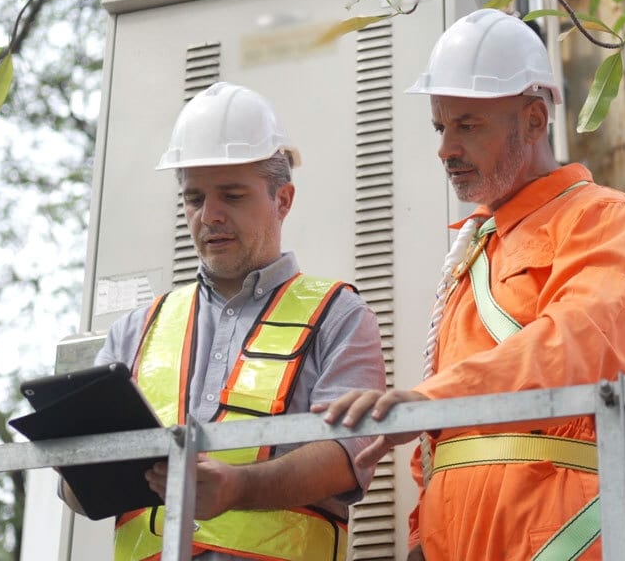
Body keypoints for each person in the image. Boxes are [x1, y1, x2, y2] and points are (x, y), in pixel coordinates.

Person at [316, 9, 625, 561]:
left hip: (564, 536)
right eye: (441, 127)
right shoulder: (472, 250)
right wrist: (419, 539)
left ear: (534, 120)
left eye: (467, 125)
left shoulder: (607, 221)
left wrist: (427, 401)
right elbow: (446, 442)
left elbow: (577, 347)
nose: (445, 149)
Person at [65, 81, 387, 561]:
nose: (209, 216)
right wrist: (74, 462)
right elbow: (77, 496)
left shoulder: (339, 315)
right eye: (194, 199)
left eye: (231, 196)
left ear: (283, 200)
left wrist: (239, 487)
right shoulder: (135, 330)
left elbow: (349, 456)